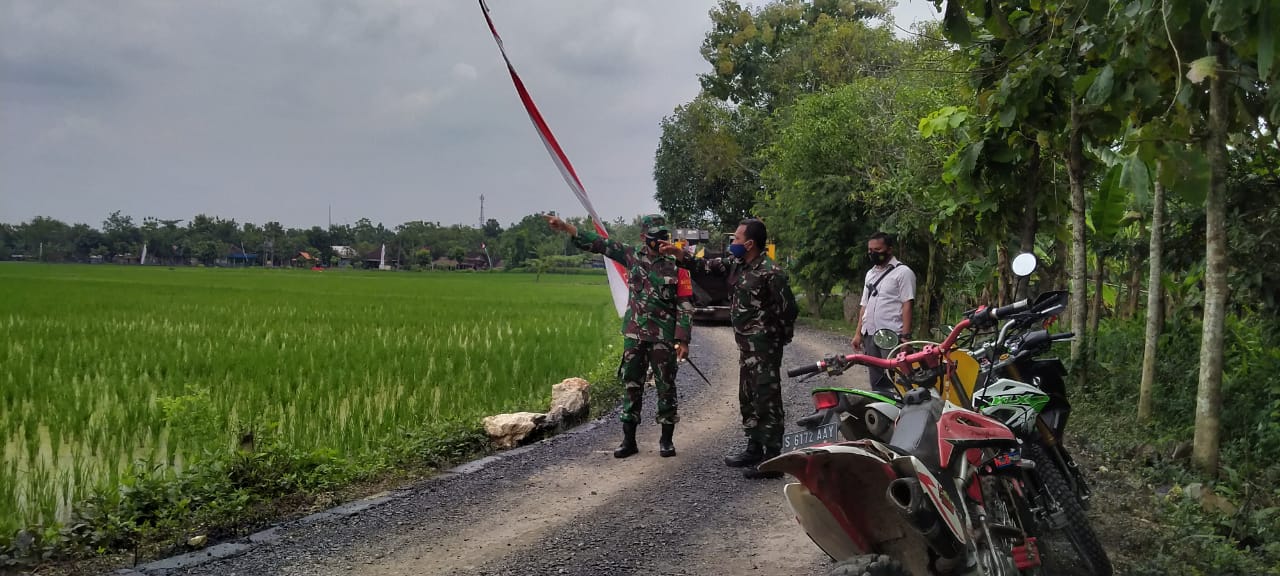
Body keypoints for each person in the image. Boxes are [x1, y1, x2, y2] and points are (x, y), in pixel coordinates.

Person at [545, 213, 692, 458]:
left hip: (663, 339)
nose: (661, 241)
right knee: (631, 387)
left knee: (666, 388)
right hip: (634, 335)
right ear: (644, 237)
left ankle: (666, 440)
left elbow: (685, 304)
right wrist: (566, 228)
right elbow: (599, 243)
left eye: (664, 236)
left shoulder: (678, 264)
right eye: (655, 236)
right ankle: (629, 440)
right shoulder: (631, 255)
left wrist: (683, 339)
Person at [659, 218, 797, 479]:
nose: (732, 243)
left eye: (735, 239)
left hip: (765, 348)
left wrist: (775, 340)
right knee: (748, 397)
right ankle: (753, 448)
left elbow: (788, 310)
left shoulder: (771, 272)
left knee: (767, 398)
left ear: (750, 243)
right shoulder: (738, 264)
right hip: (745, 346)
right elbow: (705, 266)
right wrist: (681, 255)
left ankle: (773, 459)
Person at [851, 231, 916, 399]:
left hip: (890, 335)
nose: (873, 253)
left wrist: (906, 338)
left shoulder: (903, 273)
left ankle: (903, 412)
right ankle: (883, 411)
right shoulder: (870, 274)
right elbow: (864, 305)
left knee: (896, 378)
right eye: (870, 250)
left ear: (889, 249)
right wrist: (858, 333)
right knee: (877, 379)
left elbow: (907, 304)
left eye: (877, 249)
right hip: (870, 334)